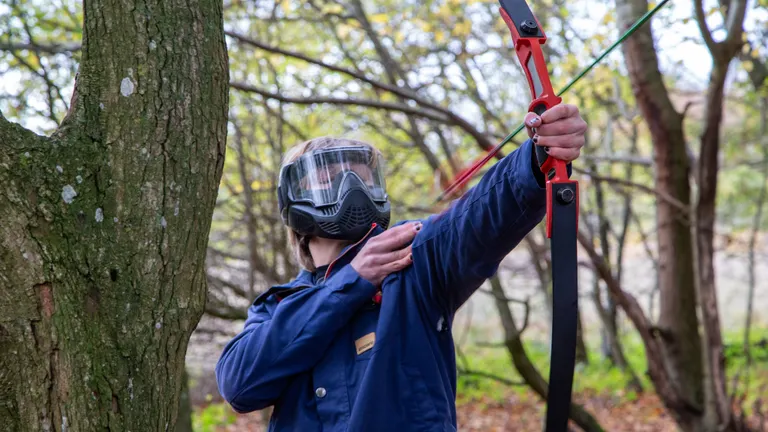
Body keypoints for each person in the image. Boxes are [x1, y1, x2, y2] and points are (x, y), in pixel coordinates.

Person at [215, 105, 587, 431]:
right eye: (329, 180)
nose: (350, 188)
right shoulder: (277, 306)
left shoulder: (412, 258)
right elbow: (240, 386)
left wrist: (538, 157)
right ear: (294, 199)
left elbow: (480, 215)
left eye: (362, 177)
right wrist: (353, 280)